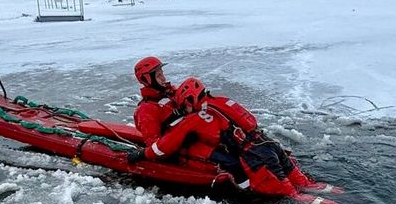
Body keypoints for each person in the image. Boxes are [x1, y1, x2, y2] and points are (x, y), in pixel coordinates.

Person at [130, 77, 322, 197]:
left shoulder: (194, 117)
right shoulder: (222, 101)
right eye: (159, 74)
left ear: (190, 99)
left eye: (186, 106)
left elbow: (163, 146)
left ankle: (248, 194)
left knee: (289, 196)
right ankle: (327, 191)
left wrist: (141, 155)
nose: (186, 110)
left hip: (255, 157)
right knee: (304, 183)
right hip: (269, 144)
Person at [132, 56, 179, 144]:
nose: (164, 78)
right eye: (159, 75)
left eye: (162, 74)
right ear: (147, 79)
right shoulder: (146, 110)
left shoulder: (171, 94)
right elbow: (154, 143)